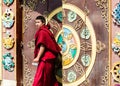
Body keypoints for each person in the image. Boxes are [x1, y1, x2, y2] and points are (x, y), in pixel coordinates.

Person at [32, 15, 61, 86]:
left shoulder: (42, 32)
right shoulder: (46, 31)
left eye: (38, 22)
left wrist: (38, 57)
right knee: (49, 78)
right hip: (49, 59)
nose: (36, 24)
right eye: (36, 22)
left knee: (40, 78)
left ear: (43, 23)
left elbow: (43, 45)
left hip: (46, 59)